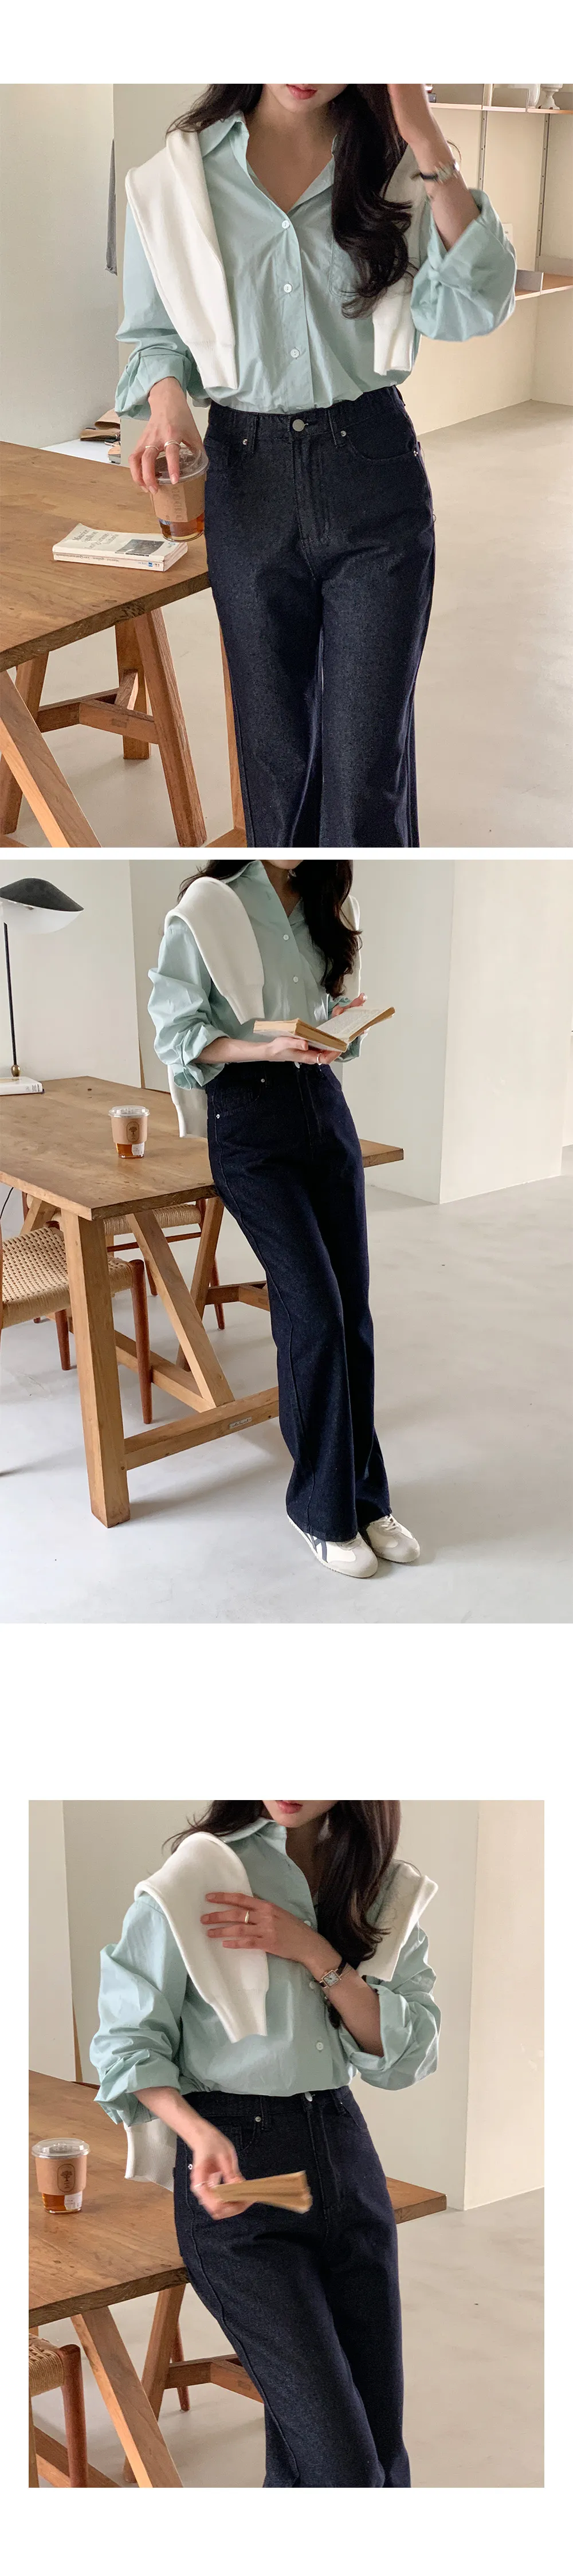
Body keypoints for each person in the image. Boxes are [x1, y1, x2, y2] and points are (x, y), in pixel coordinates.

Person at [117, 83, 516, 848]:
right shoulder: (170, 181)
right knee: (274, 755)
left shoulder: (396, 165)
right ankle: (288, 910)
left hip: (370, 465)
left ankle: (359, 913)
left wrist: (425, 137)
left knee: (367, 758)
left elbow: (476, 300)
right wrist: (166, 401)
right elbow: (154, 334)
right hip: (246, 474)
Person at [91, 1797, 440, 2489]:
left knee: (375, 2444)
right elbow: (129, 2041)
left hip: (343, 2152)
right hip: (240, 2170)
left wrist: (314, 1951)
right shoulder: (199, 1875)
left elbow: (404, 2052)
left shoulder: (382, 1887)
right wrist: (198, 2133)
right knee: (343, 2467)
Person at [148, 854, 418, 1580]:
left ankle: (366, 1498)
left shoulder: (328, 900)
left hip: (325, 1111)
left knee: (352, 1316)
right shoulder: (208, 904)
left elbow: (333, 1017)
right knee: (315, 1316)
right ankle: (320, 1511)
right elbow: (177, 1029)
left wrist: (342, 1028)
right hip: (249, 1119)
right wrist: (264, 1047)